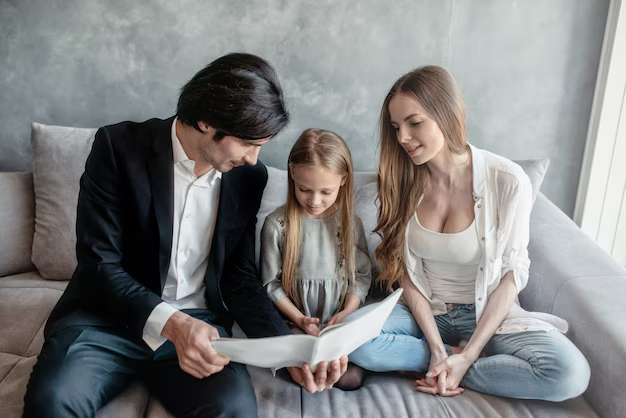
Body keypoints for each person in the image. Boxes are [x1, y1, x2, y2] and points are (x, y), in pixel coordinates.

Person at [23, 53, 347, 418]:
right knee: (51, 403)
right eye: (247, 143)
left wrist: (290, 348)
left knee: (235, 412)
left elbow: (238, 275)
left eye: (261, 145)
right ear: (206, 122)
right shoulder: (117, 147)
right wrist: (173, 325)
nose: (255, 159)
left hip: (203, 329)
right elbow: (99, 263)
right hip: (106, 323)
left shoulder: (247, 177)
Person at [349, 65, 591, 401]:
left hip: (487, 315)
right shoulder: (401, 181)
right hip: (425, 313)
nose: (402, 137)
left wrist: (470, 354)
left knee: (570, 374)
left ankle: (453, 366)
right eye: (395, 127)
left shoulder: (506, 179)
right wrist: (436, 348)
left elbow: (512, 274)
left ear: (446, 115)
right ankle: (443, 361)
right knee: (351, 339)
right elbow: (405, 274)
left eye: (414, 122)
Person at [260, 128, 372, 390]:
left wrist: (347, 312)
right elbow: (270, 284)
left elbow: (362, 275)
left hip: (339, 322)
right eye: (304, 189)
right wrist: (300, 320)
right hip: (296, 322)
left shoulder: (349, 224)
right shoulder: (277, 225)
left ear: (343, 180)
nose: (314, 200)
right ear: (292, 173)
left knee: (350, 378)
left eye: (325, 191)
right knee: (309, 366)